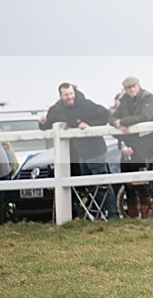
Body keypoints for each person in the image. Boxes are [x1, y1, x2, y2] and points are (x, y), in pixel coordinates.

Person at [39, 83, 115, 219]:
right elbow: (48, 125)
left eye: (71, 94)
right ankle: (100, 214)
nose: (69, 97)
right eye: (66, 95)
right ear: (61, 96)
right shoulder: (58, 109)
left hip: (95, 150)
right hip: (81, 153)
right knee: (89, 186)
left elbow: (106, 115)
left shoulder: (86, 104)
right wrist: (42, 123)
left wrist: (89, 125)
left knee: (102, 184)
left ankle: (112, 215)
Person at [109, 76, 153, 217]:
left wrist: (122, 122)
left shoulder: (148, 98)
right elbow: (111, 117)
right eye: (129, 88)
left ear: (138, 85)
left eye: (133, 86)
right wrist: (117, 123)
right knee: (152, 183)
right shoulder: (125, 101)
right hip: (144, 148)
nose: (132, 89)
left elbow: (145, 116)